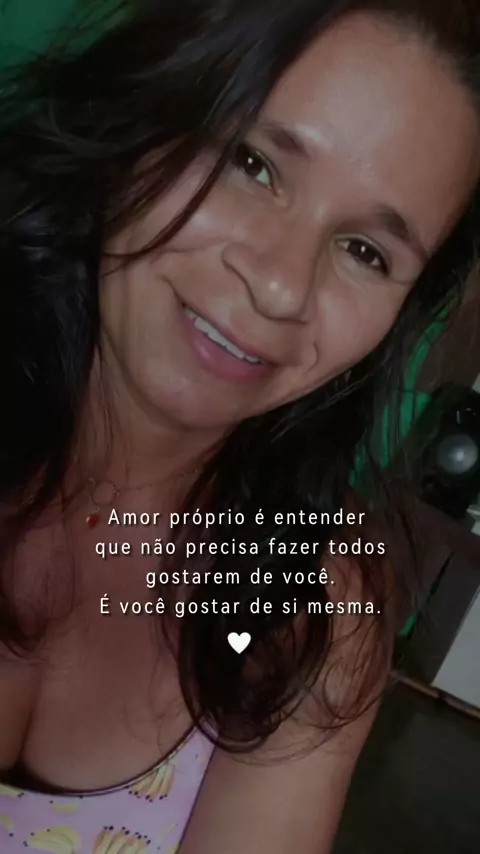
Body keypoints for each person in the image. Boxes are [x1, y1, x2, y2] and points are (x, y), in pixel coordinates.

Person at [0, 0, 479, 851]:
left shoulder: (306, 610)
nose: (282, 285)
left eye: (367, 252)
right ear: (145, 116)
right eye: (252, 164)